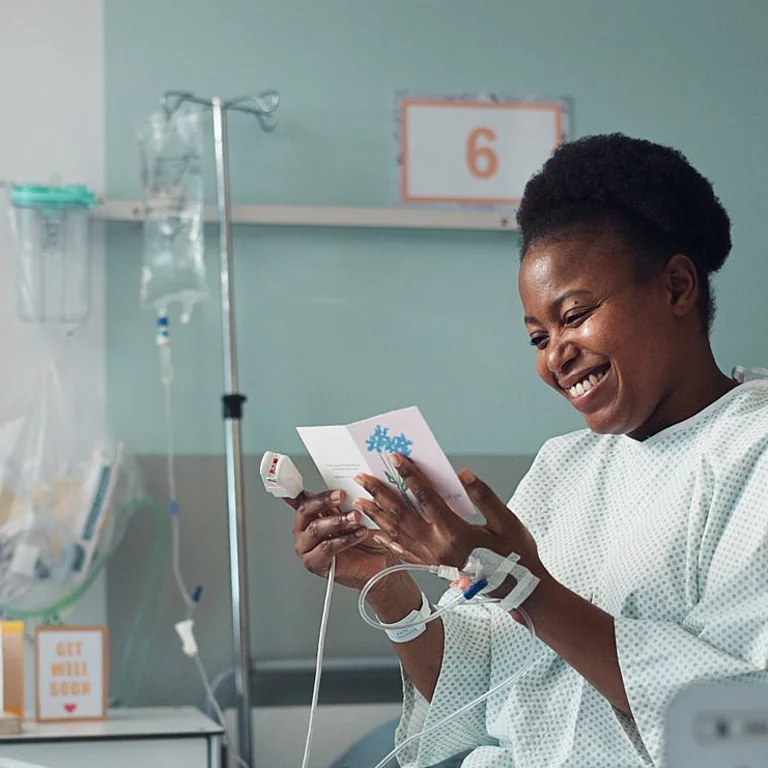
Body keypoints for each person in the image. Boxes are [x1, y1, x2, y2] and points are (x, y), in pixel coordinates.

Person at [288, 134, 768, 767]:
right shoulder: (563, 467)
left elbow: (741, 728)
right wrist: (386, 585)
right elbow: (478, 689)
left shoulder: (749, 455)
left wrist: (525, 589)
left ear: (677, 287)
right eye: (538, 336)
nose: (554, 357)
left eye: (575, 315)